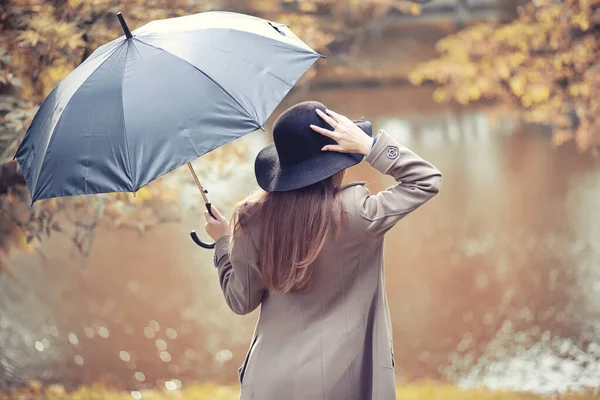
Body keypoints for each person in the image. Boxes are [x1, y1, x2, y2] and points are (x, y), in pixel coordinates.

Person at [203, 101, 442, 400]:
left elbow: (241, 300)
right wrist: (370, 146)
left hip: (267, 383)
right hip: (341, 384)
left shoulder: (253, 220)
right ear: (336, 162)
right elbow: (426, 180)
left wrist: (223, 242)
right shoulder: (359, 214)